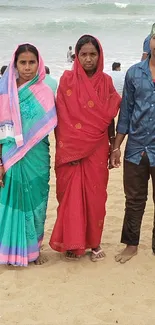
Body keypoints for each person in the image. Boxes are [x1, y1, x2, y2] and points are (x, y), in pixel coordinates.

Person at [49, 35, 121, 261]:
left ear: (99, 56)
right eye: (84, 54)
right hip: (71, 149)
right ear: (76, 56)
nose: (88, 59)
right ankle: (73, 243)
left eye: (93, 54)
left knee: (96, 196)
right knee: (70, 197)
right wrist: (69, 150)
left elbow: (109, 117)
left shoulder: (106, 82)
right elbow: (63, 118)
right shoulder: (67, 80)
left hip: (98, 148)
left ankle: (94, 242)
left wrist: (112, 146)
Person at [0, 43, 57, 267]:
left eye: (31, 62)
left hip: (38, 156)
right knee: (10, 201)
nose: (27, 67)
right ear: (15, 64)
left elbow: (51, 124)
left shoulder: (45, 90)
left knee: (37, 201)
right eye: (22, 62)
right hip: (11, 154)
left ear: (38, 63)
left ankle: (34, 250)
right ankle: (10, 252)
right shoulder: (5, 91)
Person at [111, 24, 155, 263]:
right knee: (134, 199)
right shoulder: (133, 73)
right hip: (136, 148)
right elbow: (126, 112)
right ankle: (131, 244)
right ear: (149, 42)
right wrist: (116, 146)